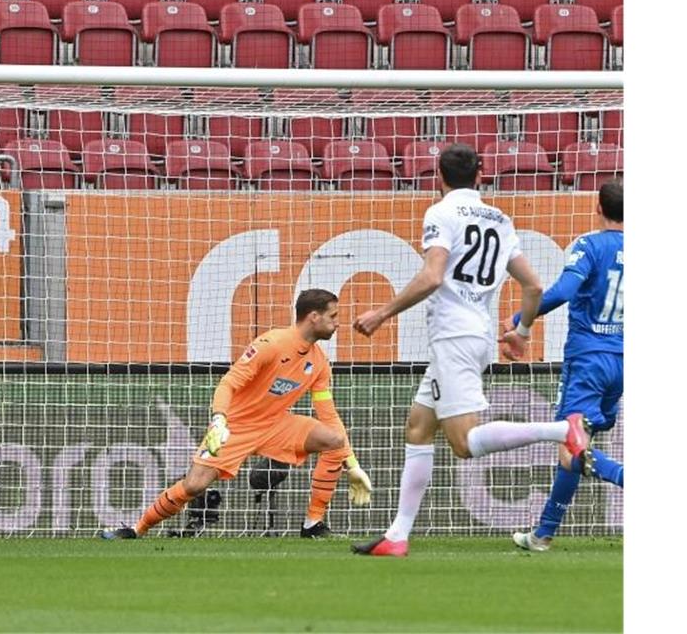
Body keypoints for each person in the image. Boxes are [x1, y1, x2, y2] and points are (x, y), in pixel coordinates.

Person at [350, 144, 589, 557]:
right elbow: (532, 285)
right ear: (480, 175)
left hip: (453, 337)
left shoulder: (440, 213)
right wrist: (523, 331)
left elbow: (431, 276)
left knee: (464, 444)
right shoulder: (500, 218)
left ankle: (561, 430)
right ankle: (397, 536)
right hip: (477, 335)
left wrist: (382, 313)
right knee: (419, 427)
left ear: (437, 176)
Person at [101, 289, 372, 539]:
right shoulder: (271, 344)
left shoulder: (319, 362)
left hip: (276, 424)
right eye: (333, 316)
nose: (338, 323)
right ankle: (137, 529)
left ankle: (313, 524)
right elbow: (228, 384)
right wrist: (219, 419)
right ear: (314, 317)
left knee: (334, 440)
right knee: (194, 486)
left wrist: (352, 463)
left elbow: (328, 414)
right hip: (236, 426)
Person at [511, 180, 624, 551]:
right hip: (622, 363)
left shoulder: (590, 246)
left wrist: (519, 320)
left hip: (588, 360)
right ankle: (542, 534)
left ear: (597, 208)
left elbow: (559, 292)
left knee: (571, 447)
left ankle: (623, 476)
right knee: (575, 446)